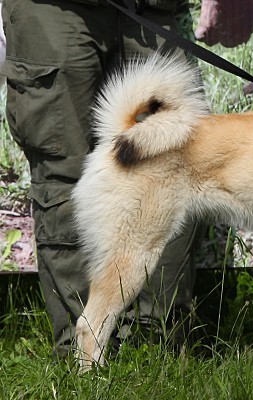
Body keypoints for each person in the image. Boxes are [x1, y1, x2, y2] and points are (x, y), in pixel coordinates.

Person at [1, 0, 200, 358]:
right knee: (65, 171)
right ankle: (84, 350)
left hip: (149, 8)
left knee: (178, 165)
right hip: (56, 9)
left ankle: (156, 350)